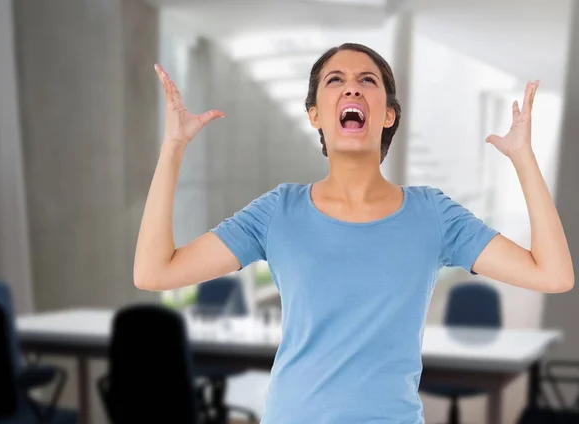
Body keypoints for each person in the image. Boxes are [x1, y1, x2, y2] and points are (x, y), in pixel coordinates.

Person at [134, 43, 574, 423]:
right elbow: (154, 272)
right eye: (335, 80)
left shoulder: (433, 215)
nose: (352, 87)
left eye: (367, 80)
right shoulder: (277, 212)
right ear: (314, 115)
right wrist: (172, 148)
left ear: (387, 114)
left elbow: (553, 275)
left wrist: (523, 159)